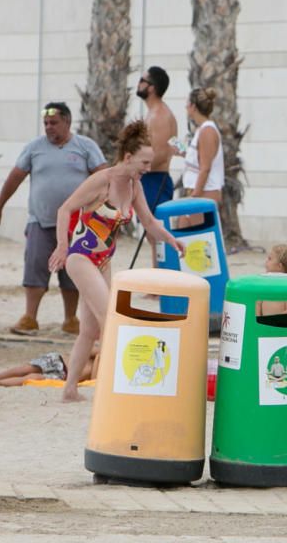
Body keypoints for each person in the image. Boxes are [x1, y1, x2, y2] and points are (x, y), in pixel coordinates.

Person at [48, 120, 185, 402]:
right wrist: (62, 246)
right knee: (111, 318)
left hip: (103, 261)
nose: (148, 168)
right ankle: (114, 387)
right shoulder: (104, 180)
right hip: (81, 257)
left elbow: (148, 221)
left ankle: (70, 389)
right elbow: (65, 209)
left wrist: (171, 240)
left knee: (90, 329)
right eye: (144, 162)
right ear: (127, 157)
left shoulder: (135, 186)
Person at [0, 102, 107, 336]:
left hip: (77, 224)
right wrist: (0, 204)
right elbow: (14, 178)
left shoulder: (85, 147)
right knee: (35, 267)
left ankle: (70, 318)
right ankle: (30, 318)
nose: (49, 127)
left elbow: (104, 176)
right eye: (46, 123)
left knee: (72, 272)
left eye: (54, 123)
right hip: (41, 220)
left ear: (67, 122)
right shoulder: (34, 148)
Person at [174, 87, 224, 228]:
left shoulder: (207, 131)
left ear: (193, 107)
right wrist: (183, 152)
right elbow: (200, 159)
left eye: (187, 104)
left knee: (200, 242)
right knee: (184, 236)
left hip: (204, 193)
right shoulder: (201, 130)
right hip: (196, 192)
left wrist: (195, 196)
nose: (185, 107)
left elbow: (205, 168)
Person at [137, 67, 178, 214]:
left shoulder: (159, 115)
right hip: (151, 180)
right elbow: (175, 144)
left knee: (156, 233)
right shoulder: (157, 113)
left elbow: (160, 155)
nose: (138, 83)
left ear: (152, 88)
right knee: (154, 234)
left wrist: (134, 170)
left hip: (155, 180)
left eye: (142, 80)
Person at [0, 346, 99, 387]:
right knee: (26, 369)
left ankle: (0, 383)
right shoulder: (99, 351)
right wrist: (100, 354)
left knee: (33, 377)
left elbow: (93, 380)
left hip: (64, 376)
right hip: (59, 360)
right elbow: (83, 349)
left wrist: (99, 360)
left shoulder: (105, 368)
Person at [256, 244, 287, 317]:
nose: (266, 262)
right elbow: (257, 306)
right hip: (265, 325)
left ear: (279, 266)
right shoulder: (266, 286)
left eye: (269, 259)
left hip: (280, 325)